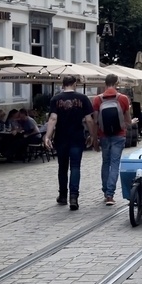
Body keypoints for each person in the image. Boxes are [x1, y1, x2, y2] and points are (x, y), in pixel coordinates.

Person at [44, 73, 95, 210]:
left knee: (62, 167)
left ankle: (62, 195)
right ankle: (73, 197)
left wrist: (47, 136)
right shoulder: (83, 98)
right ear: (75, 84)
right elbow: (89, 120)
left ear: (63, 84)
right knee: (75, 167)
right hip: (77, 137)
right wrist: (93, 135)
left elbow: (53, 119)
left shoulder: (55, 99)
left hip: (61, 138)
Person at [92, 74, 131, 205]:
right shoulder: (123, 98)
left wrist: (94, 139)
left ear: (105, 83)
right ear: (116, 83)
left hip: (104, 135)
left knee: (105, 163)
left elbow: (95, 121)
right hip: (119, 135)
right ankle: (110, 195)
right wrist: (133, 122)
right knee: (114, 164)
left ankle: (105, 191)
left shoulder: (97, 99)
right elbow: (128, 121)